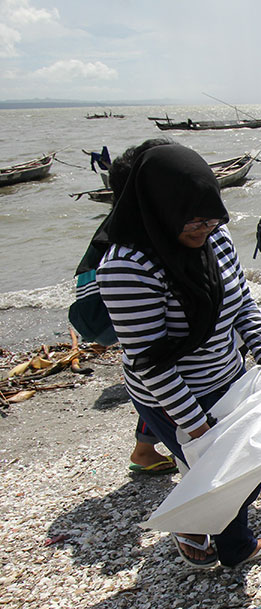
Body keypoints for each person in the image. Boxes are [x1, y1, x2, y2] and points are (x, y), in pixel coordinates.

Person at [96, 143, 261, 568]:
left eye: (211, 218)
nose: (204, 229)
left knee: (241, 467)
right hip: (170, 393)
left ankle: (195, 524)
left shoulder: (215, 237)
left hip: (228, 377)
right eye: (194, 222)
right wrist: (195, 423)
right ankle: (233, 546)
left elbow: (241, 301)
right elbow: (152, 362)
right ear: (160, 209)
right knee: (220, 473)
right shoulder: (126, 266)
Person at [73, 138, 178, 475]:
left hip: (117, 322)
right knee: (156, 379)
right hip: (119, 320)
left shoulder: (120, 224)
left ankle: (145, 449)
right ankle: (150, 451)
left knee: (151, 379)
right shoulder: (129, 245)